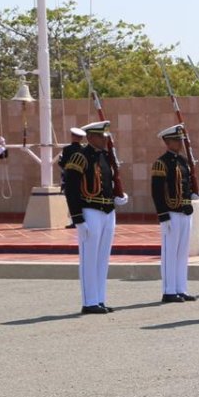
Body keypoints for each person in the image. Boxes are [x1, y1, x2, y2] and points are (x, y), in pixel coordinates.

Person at [63, 120, 128, 314]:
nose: (104, 139)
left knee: (102, 258)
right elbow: (71, 189)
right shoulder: (80, 157)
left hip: (108, 211)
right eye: (101, 136)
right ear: (90, 137)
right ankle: (89, 301)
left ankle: (99, 298)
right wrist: (78, 219)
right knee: (89, 258)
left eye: (105, 135)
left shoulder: (106, 157)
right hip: (89, 211)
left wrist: (118, 196)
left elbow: (109, 182)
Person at [151, 125, 198, 303]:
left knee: (182, 252)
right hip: (171, 212)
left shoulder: (183, 161)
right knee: (170, 253)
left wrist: (193, 192)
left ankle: (181, 288)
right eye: (176, 140)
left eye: (180, 140)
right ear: (167, 141)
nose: (180, 143)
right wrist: (163, 215)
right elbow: (157, 191)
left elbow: (186, 183)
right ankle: (169, 290)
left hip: (185, 211)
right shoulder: (161, 163)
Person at [58, 127, 86, 229]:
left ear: (73, 136)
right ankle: (82, 219)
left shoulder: (67, 149)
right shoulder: (84, 149)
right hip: (82, 180)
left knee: (71, 200)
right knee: (81, 200)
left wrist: (60, 161)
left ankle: (75, 221)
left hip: (70, 179)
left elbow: (63, 164)